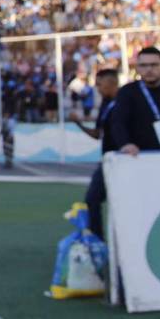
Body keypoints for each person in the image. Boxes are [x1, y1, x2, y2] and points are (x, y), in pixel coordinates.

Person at [69, 69, 120, 237]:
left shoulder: (125, 103)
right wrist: (78, 124)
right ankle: (97, 240)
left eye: (100, 84)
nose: (97, 88)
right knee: (92, 199)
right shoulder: (106, 103)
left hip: (125, 160)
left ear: (112, 82)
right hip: (108, 160)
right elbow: (98, 134)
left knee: (120, 202)